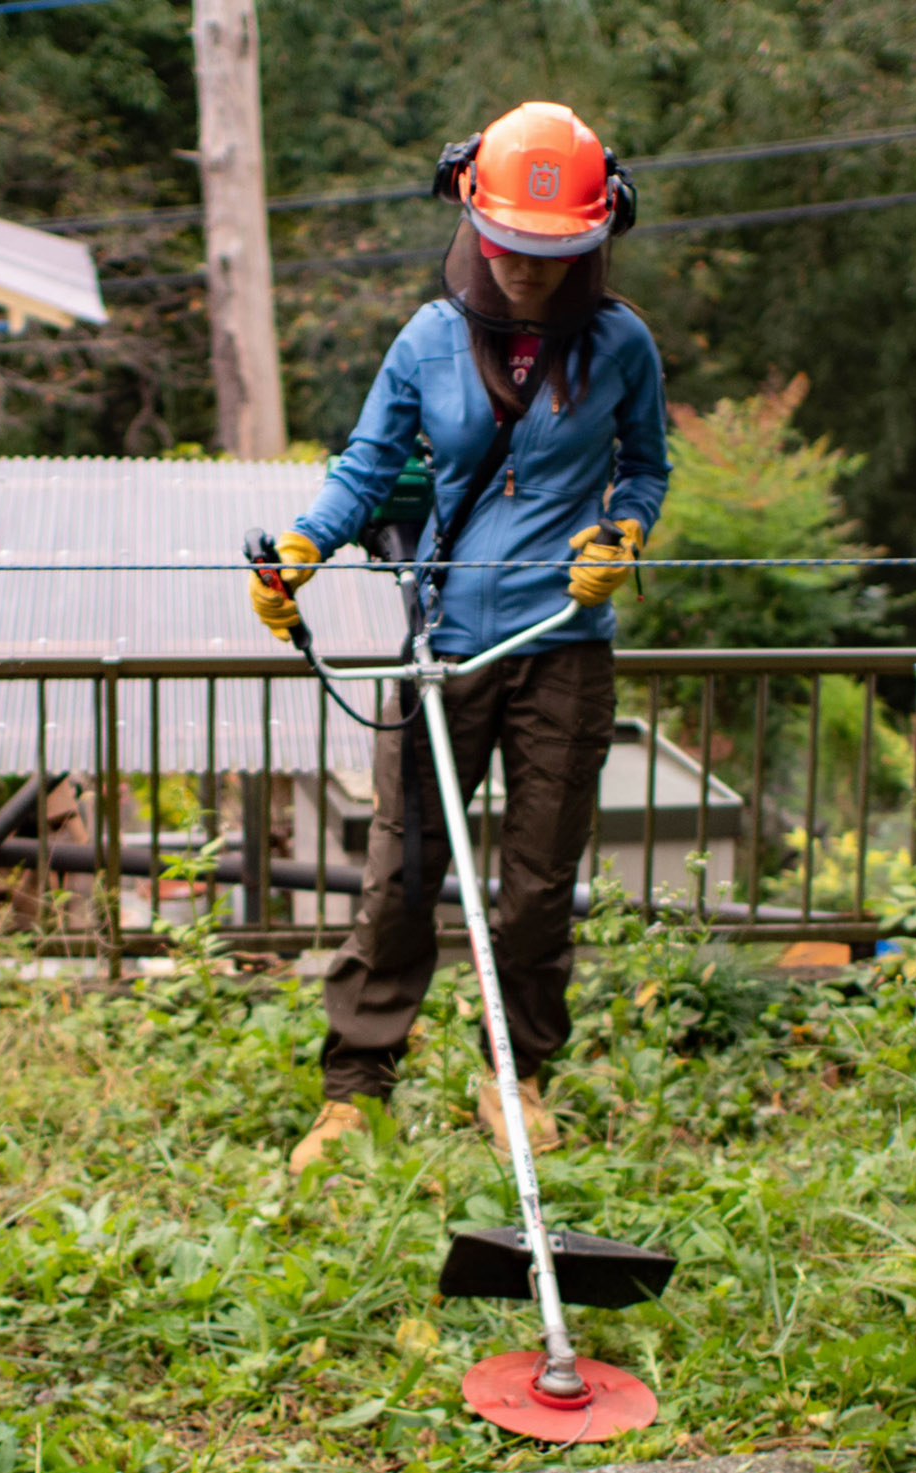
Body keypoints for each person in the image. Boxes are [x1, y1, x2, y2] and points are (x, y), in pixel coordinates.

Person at [247, 101, 671, 1174]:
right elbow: (363, 467)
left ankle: (516, 1076)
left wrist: (622, 532)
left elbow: (648, 467)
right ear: (473, 223)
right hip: (443, 646)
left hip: (565, 642)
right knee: (401, 871)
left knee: (536, 883)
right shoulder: (429, 340)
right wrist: (305, 546)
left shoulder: (622, 345)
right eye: (512, 249)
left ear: (594, 239)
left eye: (553, 253)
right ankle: (355, 1092)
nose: (526, 271)